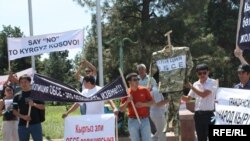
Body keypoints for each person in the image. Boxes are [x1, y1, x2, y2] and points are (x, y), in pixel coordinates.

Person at [151, 42, 193, 137]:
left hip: (177, 95)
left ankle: (173, 130)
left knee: (173, 119)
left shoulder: (183, 51)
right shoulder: (157, 55)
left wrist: (185, 79)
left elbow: (190, 63)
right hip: (161, 108)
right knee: (164, 130)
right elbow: (158, 104)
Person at [181, 64, 218, 141]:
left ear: (208, 72)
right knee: (201, 138)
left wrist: (191, 87)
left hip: (209, 115)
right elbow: (187, 99)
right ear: (197, 74)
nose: (202, 75)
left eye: (204, 72)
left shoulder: (213, 82)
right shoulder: (195, 84)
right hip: (198, 115)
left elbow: (203, 94)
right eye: (199, 73)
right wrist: (176, 95)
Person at [120, 72, 154, 141]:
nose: (137, 81)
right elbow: (121, 109)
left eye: (138, 79)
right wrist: (127, 101)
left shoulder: (144, 90)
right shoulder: (126, 93)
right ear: (129, 81)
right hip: (132, 120)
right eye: (135, 79)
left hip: (144, 119)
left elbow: (152, 103)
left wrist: (143, 104)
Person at [137, 64, 167, 141]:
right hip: (142, 103)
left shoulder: (151, 79)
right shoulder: (136, 79)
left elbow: (154, 89)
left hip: (150, 102)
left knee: (156, 126)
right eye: (139, 69)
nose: (141, 71)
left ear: (145, 70)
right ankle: (147, 135)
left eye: (142, 69)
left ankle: (152, 134)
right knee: (143, 119)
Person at [12, 74, 45, 141]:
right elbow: (14, 111)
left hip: (36, 124)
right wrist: (23, 117)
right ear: (19, 84)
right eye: (21, 82)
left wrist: (34, 104)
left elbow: (43, 107)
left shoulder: (37, 94)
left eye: (25, 82)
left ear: (29, 82)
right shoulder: (17, 96)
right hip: (22, 125)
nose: (23, 84)